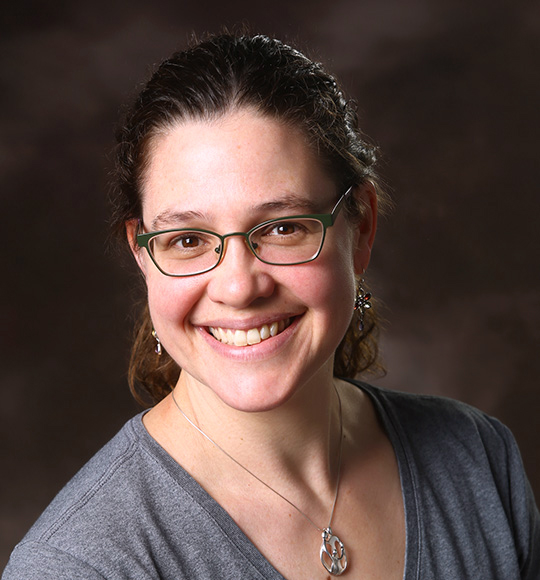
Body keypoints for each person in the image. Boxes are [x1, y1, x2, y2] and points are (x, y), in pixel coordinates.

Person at [3, 32, 539, 580]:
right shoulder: (77, 566)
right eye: (187, 239)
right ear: (144, 255)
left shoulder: (478, 459)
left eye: (283, 227)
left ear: (363, 228)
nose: (238, 287)